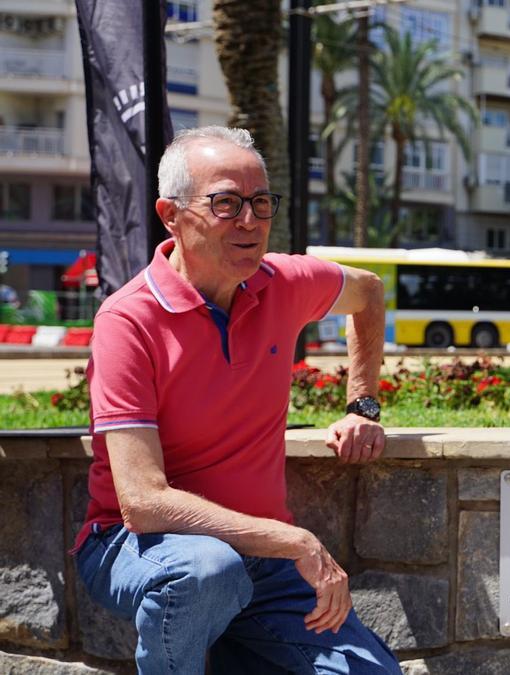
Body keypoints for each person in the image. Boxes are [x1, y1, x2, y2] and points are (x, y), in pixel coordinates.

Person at [72, 126, 401, 674]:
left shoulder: (284, 282)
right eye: (226, 203)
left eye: (261, 202)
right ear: (170, 214)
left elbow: (367, 292)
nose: (250, 221)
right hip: (134, 546)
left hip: (262, 562)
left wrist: (361, 405)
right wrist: (293, 540)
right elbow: (143, 503)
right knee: (207, 572)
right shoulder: (127, 320)